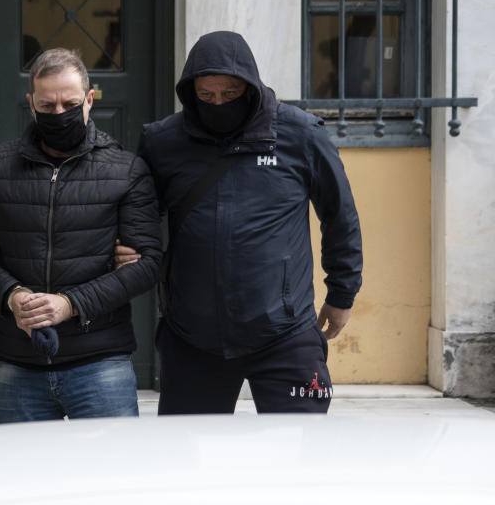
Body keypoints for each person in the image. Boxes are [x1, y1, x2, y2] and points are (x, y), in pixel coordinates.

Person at [117, 30, 362, 415]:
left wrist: (342, 293)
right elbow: (139, 213)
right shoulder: (163, 141)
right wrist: (132, 248)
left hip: (286, 333)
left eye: (229, 94)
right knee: (179, 456)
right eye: (206, 95)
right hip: (192, 336)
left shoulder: (301, 134)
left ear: (249, 86)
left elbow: (339, 214)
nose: (218, 103)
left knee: (306, 450)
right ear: (190, 91)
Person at [0, 48, 161, 424]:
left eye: (68, 103)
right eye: (47, 105)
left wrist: (70, 304)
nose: (58, 113)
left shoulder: (126, 169)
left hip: (101, 363)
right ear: (31, 103)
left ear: (89, 100)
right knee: (26, 480)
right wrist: (12, 296)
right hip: (18, 362)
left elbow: (146, 264)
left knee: (110, 476)